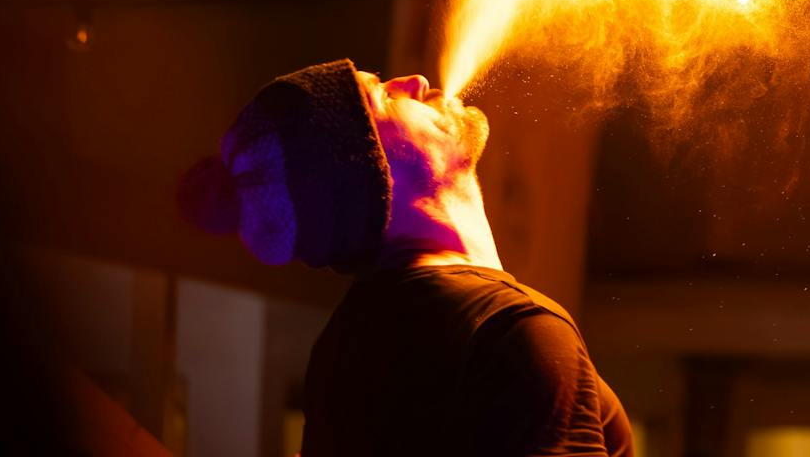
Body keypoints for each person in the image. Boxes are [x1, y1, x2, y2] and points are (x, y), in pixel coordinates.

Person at [179, 59, 633, 457]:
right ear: (369, 171)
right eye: (384, 94)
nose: (414, 81)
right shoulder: (507, 330)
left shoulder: (343, 347)